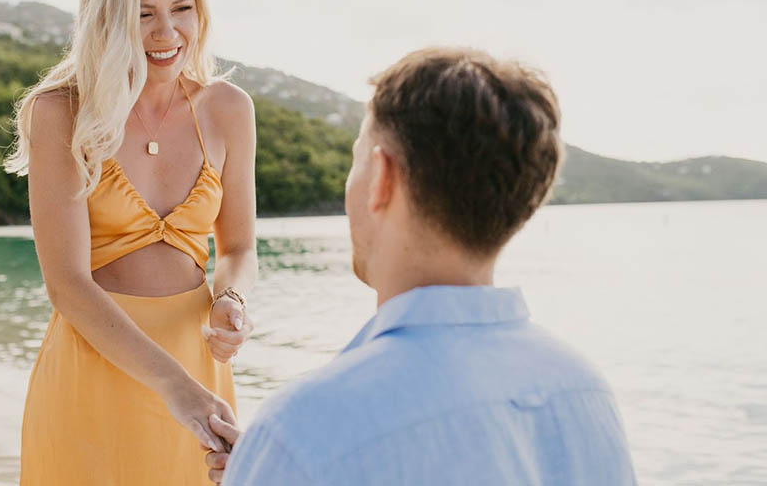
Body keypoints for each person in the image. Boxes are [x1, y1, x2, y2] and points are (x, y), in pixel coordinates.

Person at [206, 47, 636, 485]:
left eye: (357, 159)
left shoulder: (303, 429)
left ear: (382, 178)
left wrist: (274, 462)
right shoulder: (586, 391)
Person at [3, 0, 257, 486]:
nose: (166, 32)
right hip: (95, 367)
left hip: (199, 369)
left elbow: (238, 247)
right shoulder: (62, 112)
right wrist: (175, 387)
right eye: (142, 14)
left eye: (181, 8)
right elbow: (67, 283)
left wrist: (232, 299)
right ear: (106, 17)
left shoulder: (228, 109)